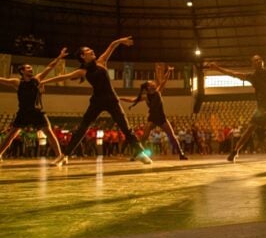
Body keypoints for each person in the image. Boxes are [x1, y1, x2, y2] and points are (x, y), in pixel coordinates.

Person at [41, 36, 152, 164]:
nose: (92, 50)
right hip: (96, 102)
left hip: (111, 100)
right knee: (82, 128)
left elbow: (112, 45)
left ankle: (140, 152)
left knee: (126, 128)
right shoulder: (82, 71)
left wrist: (121, 41)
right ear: (82, 56)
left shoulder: (101, 62)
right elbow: (62, 77)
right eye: (88, 50)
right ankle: (64, 155)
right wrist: (43, 81)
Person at [0, 48, 68, 165]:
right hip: (23, 113)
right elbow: (2, 80)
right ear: (21, 71)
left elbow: (49, 67)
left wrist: (59, 57)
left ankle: (60, 156)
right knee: (11, 135)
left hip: (37, 112)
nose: (30, 69)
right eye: (27, 68)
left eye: (31, 68)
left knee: (49, 133)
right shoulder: (17, 83)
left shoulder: (37, 80)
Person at [120, 66, 187, 160]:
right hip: (152, 118)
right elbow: (132, 100)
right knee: (144, 138)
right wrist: (120, 98)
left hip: (161, 118)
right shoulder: (146, 97)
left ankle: (181, 154)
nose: (154, 82)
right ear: (148, 87)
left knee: (172, 136)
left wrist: (169, 71)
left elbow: (164, 80)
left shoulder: (158, 91)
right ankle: (135, 155)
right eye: (151, 82)